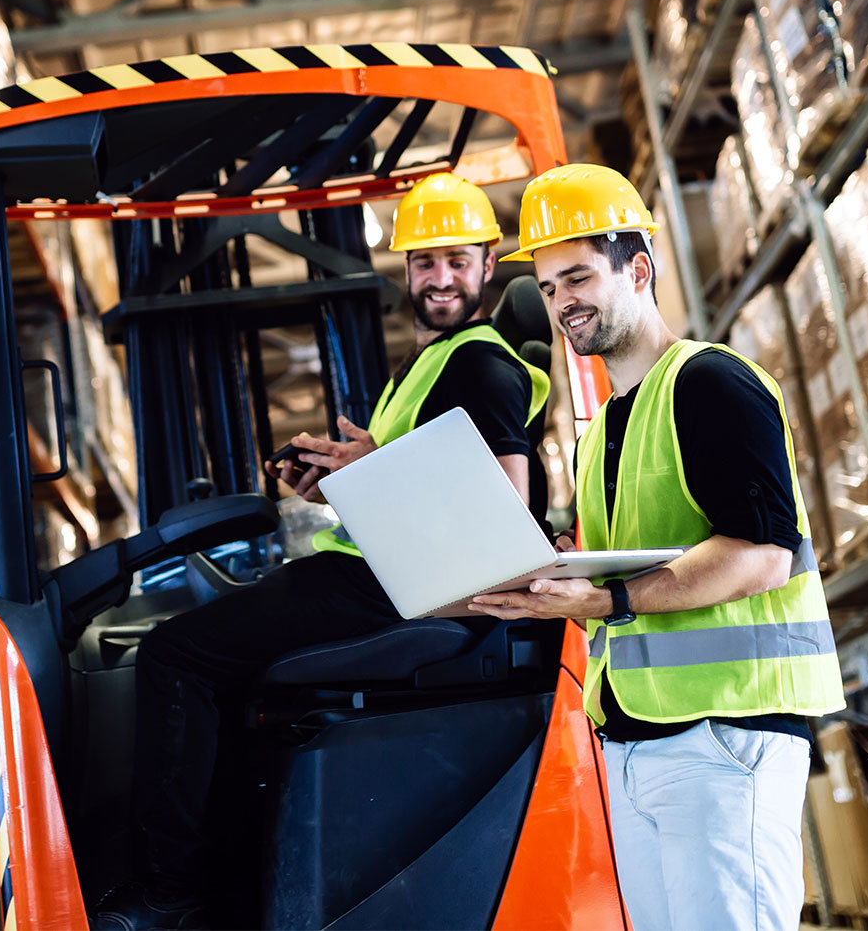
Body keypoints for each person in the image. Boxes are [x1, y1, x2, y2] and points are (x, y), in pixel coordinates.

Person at [90, 172, 551, 930]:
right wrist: (338, 480)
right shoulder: (425, 368)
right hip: (383, 567)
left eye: (457, 262)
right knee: (227, 675)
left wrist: (369, 475)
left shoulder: (481, 364)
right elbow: (423, 487)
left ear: (489, 264)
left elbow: (497, 514)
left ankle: (166, 894)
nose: (440, 278)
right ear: (405, 269)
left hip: (397, 585)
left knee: (177, 654)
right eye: (425, 262)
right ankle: (228, 886)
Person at [471, 164, 845, 931]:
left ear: (637, 269)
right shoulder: (602, 427)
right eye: (547, 288)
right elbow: (623, 574)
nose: (561, 302)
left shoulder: (710, 382)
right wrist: (549, 588)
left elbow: (764, 553)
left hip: (726, 739)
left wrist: (605, 599)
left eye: (577, 276)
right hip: (637, 745)